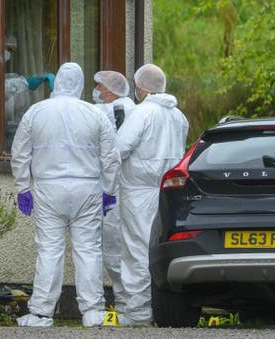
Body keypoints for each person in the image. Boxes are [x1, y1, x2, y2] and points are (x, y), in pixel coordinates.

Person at [11, 62, 121, 328]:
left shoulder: (36, 112)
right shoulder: (95, 114)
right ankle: (93, 311)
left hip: (49, 188)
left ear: (57, 81)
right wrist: (109, 190)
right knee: (89, 250)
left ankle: (41, 313)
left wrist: (23, 187)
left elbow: (20, 153)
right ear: (80, 84)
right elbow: (111, 157)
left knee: (49, 250)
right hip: (87, 188)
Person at [115, 63, 188, 326]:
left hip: (137, 191)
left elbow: (120, 148)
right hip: (166, 191)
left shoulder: (142, 113)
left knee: (136, 249)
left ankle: (138, 314)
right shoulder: (178, 116)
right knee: (158, 249)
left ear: (141, 88)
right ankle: (159, 309)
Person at [92, 70, 136, 315]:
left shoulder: (110, 111)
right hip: (130, 190)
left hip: (114, 189)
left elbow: (113, 152)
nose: (96, 91)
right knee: (128, 249)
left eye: (99, 86)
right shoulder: (136, 111)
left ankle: (125, 305)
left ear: (109, 91)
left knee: (113, 249)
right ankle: (129, 305)